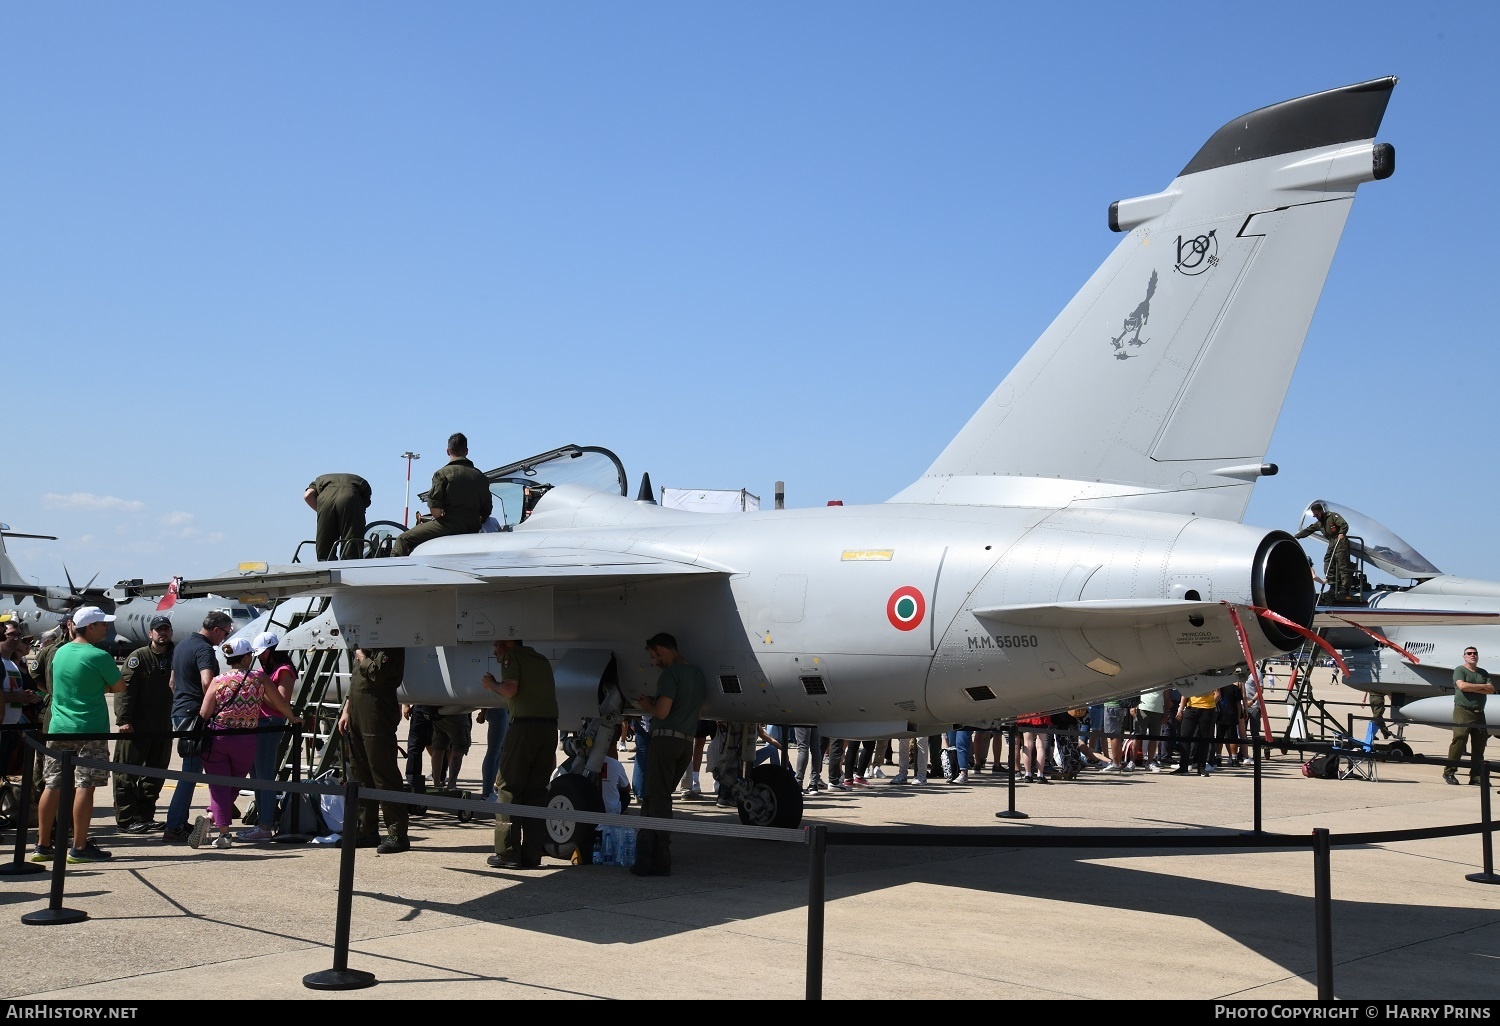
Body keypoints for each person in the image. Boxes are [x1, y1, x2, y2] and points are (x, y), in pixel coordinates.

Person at [32, 607, 123, 864]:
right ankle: (79, 846)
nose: (107, 628)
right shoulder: (99, 655)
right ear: (90, 627)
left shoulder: (60, 652)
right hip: (89, 728)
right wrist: (99, 685)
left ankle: (42, 844)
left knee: (53, 784)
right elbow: (119, 686)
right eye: (102, 624)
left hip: (59, 727)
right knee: (85, 785)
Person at [188, 637, 296, 850]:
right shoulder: (258, 677)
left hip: (218, 737)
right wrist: (294, 719)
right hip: (246, 739)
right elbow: (280, 702)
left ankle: (222, 831)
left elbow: (204, 712)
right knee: (235, 783)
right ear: (246, 656)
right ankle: (212, 818)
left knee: (218, 785)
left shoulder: (218, 680)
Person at [630, 632, 706, 877]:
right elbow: (696, 713)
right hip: (685, 743)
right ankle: (650, 856)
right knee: (658, 796)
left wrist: (647, 706)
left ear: (662, 650)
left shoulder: (670, 674)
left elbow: (662, 712)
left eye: (654, 656)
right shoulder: (697, 674)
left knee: (656, 798)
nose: (655, 662)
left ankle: (657, 859)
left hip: (664, 740)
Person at [482, 638, 558, 870]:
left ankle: (507, 853)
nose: (495, 652)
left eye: (497, 646)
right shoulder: (541, 659)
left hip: (524, 728)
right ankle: (532, 854)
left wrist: (492, 684)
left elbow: (510, 688)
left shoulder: (511, 658)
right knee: (536, 791)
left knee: (508, 787)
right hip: (548, 729)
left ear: (508, 643)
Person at [163, 610, 236, 843]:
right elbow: (208, 682)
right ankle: (174, 825)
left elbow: (172, 682)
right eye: (224, 633)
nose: (223, 639)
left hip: (180, 712)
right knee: (191, 772)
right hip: (195, 715)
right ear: (216, 630)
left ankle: (178, 822)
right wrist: (212, 708)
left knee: (191, 770)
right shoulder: (204, 649)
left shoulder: (183, 645)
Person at [338, 647, 410, 853]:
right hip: (357, 710)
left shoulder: (390, 643)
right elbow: (356, 680)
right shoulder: (366, 643)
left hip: (377, 709)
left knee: (383, 772)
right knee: (360, 773)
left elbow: (376, 673)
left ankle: (397, 833)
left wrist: (361, 656)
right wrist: (346, 710)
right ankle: (365, 830)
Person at [112, 615, 175, 833]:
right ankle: (126, 819)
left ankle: (144, 816)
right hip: (137, 727)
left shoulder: (175, 657)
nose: (163, 633)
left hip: (163, 727)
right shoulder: (138, 657)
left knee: (155, 775)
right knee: (126, 774)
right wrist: (124, 720)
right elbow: (124, 691)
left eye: (166, 629)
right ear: (151, 634)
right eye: (159, 630)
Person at [392, 433, 493, 556]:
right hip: (472, 526)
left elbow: (434, 508)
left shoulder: (442, 474)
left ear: (447, 451)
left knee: (403, 539)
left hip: (449, 525)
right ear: (466, 451)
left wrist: (441, 515)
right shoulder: (480, 477)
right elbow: (487, 510)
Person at [241, 631, 296, 841]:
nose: (260, 657)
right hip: (259, 724)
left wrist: (260, 691)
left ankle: (265, 824)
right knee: (256, 775)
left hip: (271, 723)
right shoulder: (266, 671)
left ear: (273, 650)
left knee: (264, 775)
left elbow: (282, 703)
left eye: (263, 653)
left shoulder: (284, 671)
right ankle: (263, 821)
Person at [1443, 645, 1493, 786]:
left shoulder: (1483, 672)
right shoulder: (1460, 670)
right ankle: (1449, 772)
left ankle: (1476, 777)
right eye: (1469, 653)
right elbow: (1462, 687)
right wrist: (1480, 687)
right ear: (1464, 656)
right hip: (1463, 711)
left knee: (1479, 744)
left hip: (1479, 713)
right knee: (1459, 739)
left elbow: (1491, 689)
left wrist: (1471, 687)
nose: (1472, 655)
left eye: (1475, 653)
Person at [1, 629, 43, 777]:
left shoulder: (12, 665)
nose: (17, 638)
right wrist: (17, 697)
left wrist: (26, 698)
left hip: (13, 729)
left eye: (19, 635)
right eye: (10, 634)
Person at [1295, 501, 1355, 601]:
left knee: (1342, 564)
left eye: (1317, 514)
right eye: (1315, 516)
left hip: (1340, 541)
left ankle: (1345, 587)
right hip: (1331, 542)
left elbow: (1344, 525)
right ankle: (1332, 585)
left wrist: (1341, 533)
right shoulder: (1319, 523)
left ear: (1321, 511)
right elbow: (1309, 530)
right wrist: (1296, 536)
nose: (1316, 517)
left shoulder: (1332, 516)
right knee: (1328, 561)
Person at [303, 473, 372, 560]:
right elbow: (363, 506)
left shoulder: (319, 481)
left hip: (325, 498)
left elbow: (307, 495)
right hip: (350, 496)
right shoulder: (362, 483)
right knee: (351, 543)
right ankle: (350, 565)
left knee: (325, 549)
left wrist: (323, 513)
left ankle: (325, 566)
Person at [1173, 687, 1219, 776]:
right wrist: (1181, 708)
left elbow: (1218, 693)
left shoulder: (1210, 676)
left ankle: (1201, 768)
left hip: (1207, 709)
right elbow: (1185, 692)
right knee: (1185, 736)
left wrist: (1210, 705)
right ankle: (1183, 767)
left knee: (1204, 739)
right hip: (1191, 708)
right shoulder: (1193, 676)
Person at [429, 705, 473, 791]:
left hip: (438, 712)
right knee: (459, 747)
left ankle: (436, 783)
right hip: (457, 712)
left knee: (438, 747)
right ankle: (451, 784)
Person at [476, 703, 510, 802]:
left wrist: (483, 713)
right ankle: (486, 793)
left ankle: (488, 791)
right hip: (498, 709)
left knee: (498, 751)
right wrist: (483, 712)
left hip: (500, 709)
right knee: (494, 751)